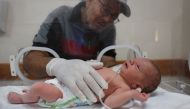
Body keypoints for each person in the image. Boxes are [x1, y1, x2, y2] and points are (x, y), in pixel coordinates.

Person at [23, 0, 131, 103]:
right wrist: (57, 66)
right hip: (54, 86)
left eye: (114, 16)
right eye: (106, 10)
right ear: (89, 1)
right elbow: (31, 60)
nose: (108, 20)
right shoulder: (60, 16)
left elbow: (109, 62)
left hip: (83, 93)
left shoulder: (109, 29)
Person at [8, 58, 161, 109]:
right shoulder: (114, 71)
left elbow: (110, 103)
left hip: (67, 95)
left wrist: (132, 94)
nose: (132, 61)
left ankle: (24, 99)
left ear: (137, 85)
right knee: (42, 85)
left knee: (39, 88)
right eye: (135, 60)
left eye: (137, 66)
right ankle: (31, 94)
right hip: (64, 81)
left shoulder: (124, 87)